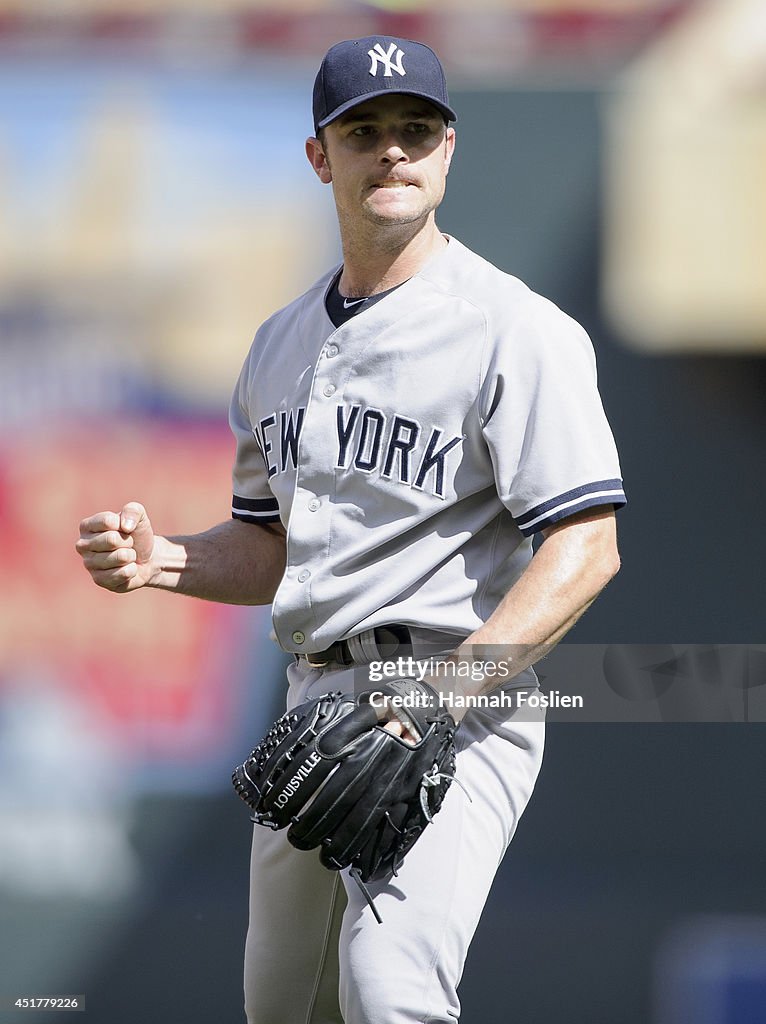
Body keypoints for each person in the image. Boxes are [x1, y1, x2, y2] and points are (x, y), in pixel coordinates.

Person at [76, 35, 625, 1024]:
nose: (393, 152)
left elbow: (586, 547)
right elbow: (272, 552)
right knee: (285, 1008)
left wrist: (441, 700)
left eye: (414, 130)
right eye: (364, 131)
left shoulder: (513, 326)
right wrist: (163, 560)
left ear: (448, 149)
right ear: (320, 156)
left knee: (392, 990)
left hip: (458, 688)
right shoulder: (279, 344)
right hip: (316, 701)